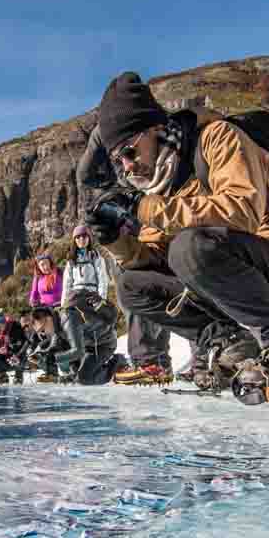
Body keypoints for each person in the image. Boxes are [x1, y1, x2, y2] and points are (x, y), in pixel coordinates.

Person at [84, 72, 269, 399]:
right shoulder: (161, 183)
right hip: (233, 286)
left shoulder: (217, 138)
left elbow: (242, 210)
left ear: (155, 130)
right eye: (118, 161)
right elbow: (155, 259)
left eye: (130, 152)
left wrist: (147, 209)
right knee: (130, 285)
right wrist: (114, 239)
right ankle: (230, 343)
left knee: (189, 248)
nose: (127, 167)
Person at [77, 124, 175, 384]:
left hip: (139, 229)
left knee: (146, 294)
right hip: (127, 232)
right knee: (144, 295)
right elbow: (86, 175)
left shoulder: (124, 153)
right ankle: (157, 362)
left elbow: (87, 175)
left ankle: (151, 362)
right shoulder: (112, 154)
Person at [30, 306, 120, 385]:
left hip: (103, 344)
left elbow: (78, 351)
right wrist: (42, 355)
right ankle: (78, 374)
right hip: (87, 345)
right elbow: (55, 347)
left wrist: (53, 358)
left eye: (42, 330)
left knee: (84, 379)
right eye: (39, 333)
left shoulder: (68, 319)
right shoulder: (56, 323)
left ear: (48, 318)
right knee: (76, 375)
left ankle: (116, 365)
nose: (43, 334)